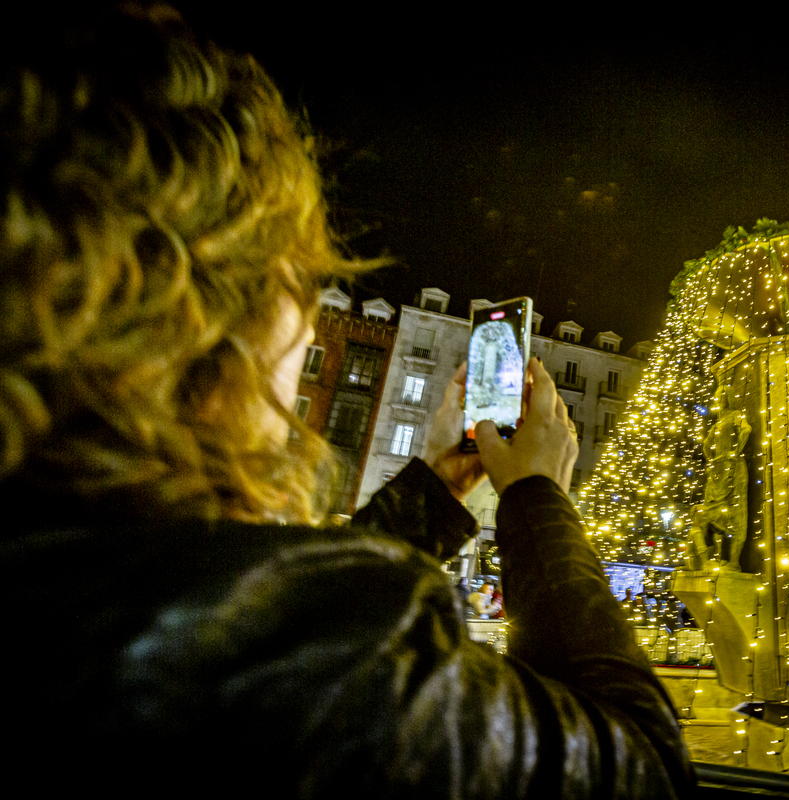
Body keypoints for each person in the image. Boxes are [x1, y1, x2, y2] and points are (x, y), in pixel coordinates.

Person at [0, 6, 692, 796]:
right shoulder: (295, 664)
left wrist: (434, 491)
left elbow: (252, 613)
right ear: (228, 318)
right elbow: (642, 766)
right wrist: (536, 495)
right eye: (302, 280)